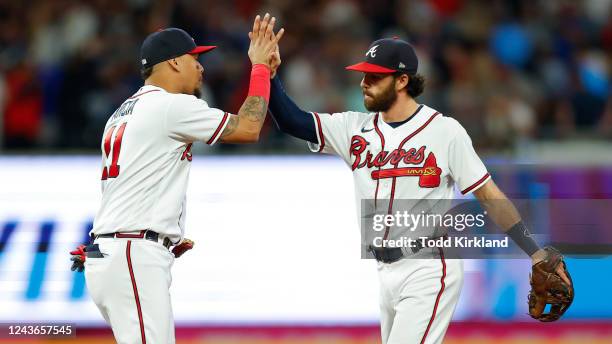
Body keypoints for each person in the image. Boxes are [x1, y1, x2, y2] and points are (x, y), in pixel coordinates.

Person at [267, 37, 572, 343]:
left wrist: (534, 252)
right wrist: (267, 74)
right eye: (364, 75)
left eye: (374, 76)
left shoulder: (444, 131)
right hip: (384, 271)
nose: (363, 83)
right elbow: (291, 121)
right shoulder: (353, 128)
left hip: (429, 267)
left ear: (402, 80)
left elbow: (489, 196)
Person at [69, 14, 284, 344]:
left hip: (118, 248)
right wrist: (259, 68)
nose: (201, 67)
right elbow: (248, 128)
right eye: (194, 58)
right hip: (132, 252)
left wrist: (162, 232)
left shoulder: (121, 112)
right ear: (171, 63)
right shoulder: (170, 106)